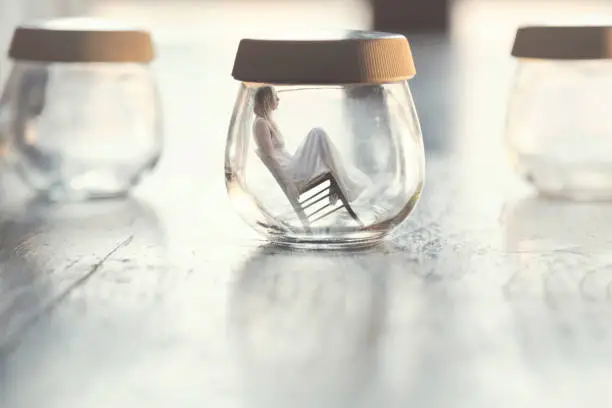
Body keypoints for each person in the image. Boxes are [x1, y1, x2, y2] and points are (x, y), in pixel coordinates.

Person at [252, 85, 371, 204]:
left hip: (291, 166)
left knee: (319, 136)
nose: (278, 100)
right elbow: (271, 157)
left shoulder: (265, 121)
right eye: (275, 97)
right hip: (290, 173)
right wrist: (288, 184)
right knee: (318, 133)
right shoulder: (260, 124)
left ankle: (339, 183)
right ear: (267, 100)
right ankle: (342, 184)